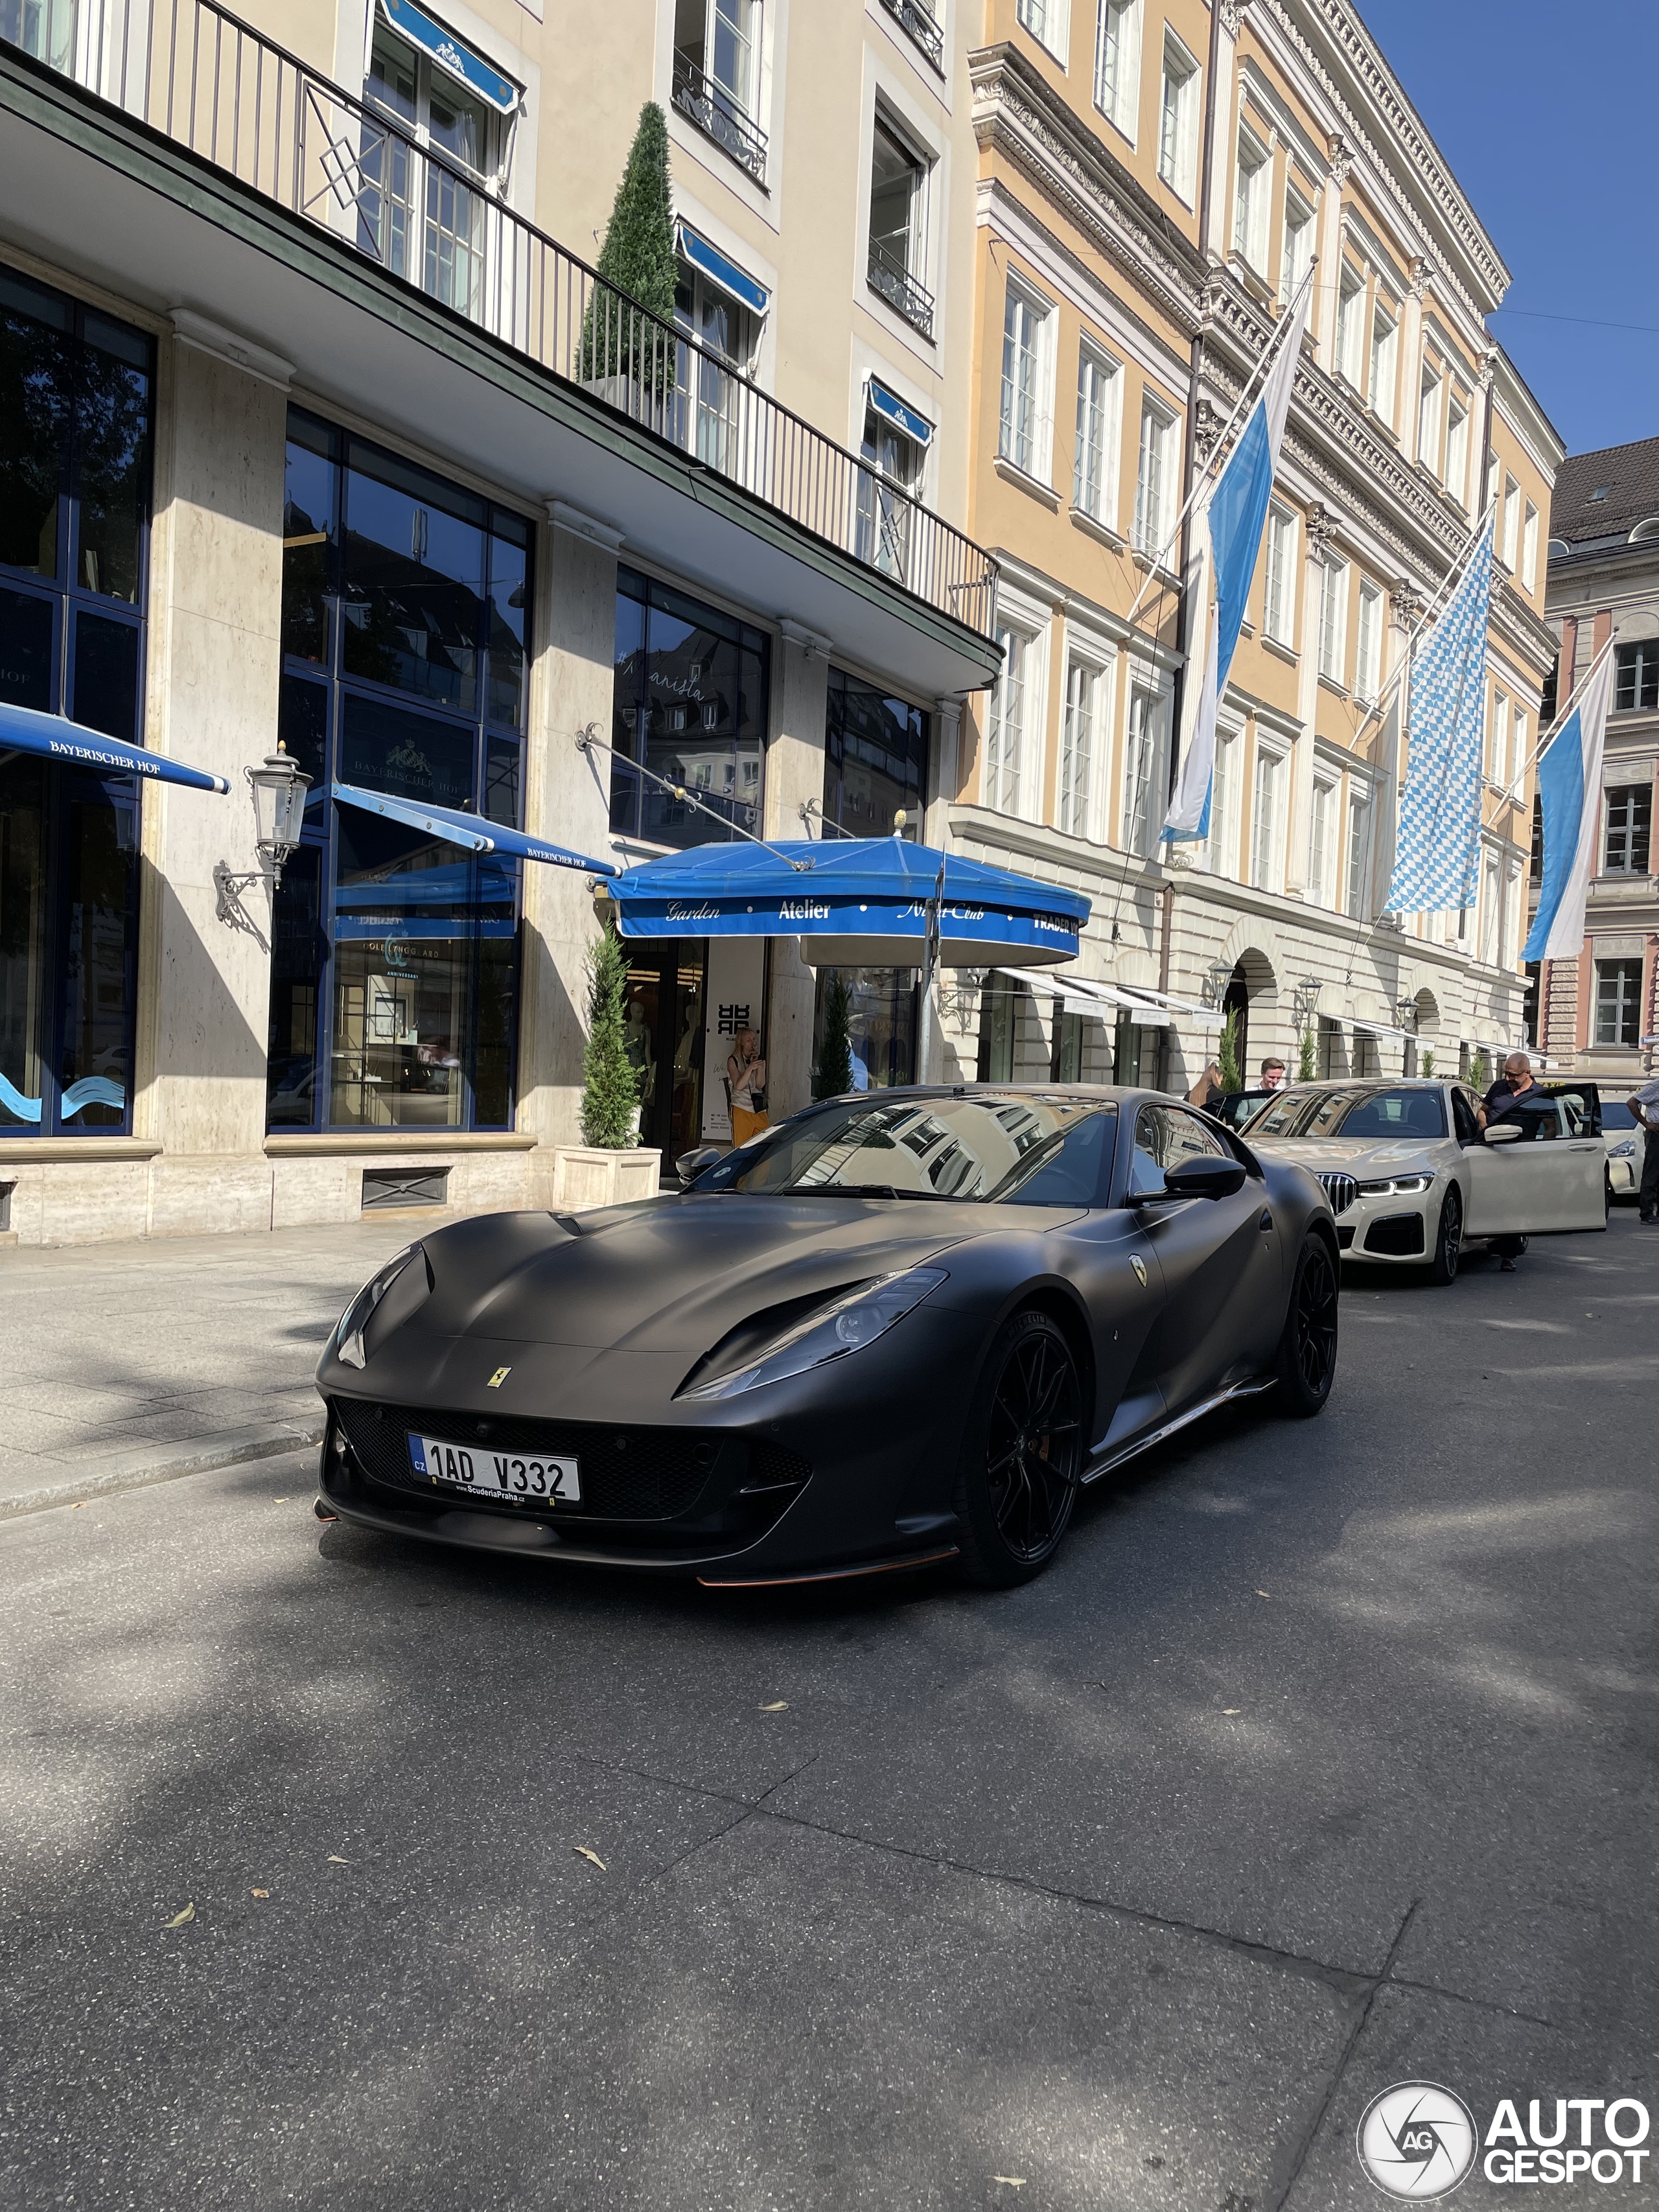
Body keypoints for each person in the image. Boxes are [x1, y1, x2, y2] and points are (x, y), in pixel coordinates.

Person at [1477, 1053, 1542, 1271]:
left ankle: (1508, 1254)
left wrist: (1544, 1149)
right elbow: (1482, 1112)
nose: (1509, 1079)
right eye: (1506, 1074)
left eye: (1513, 1075)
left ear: (1527, 1073)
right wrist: (1484, 1131)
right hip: (1491, 1153)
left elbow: (1551, 1126)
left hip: (1521, 1156)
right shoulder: (1498, 1088)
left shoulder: (1539, 1094)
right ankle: (1483, 1240)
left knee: (1513, 1204)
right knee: (1490, 1201)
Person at [727, 1027, 769, 1146]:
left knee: (764, 1147)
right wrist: (750, 1068)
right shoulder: (733, 1061)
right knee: (741, 1147)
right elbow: (739, 1086)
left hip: (758, 1108)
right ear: (741, 1043)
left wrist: (760, 1066)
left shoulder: (760, 1060)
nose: (753, 1043)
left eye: (754, 1039)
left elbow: (760, 1084)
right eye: (749, 1040)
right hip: (741, 1107)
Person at [1628, 1073, 1659, 1226]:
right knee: (1652, 1174)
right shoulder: (1656, 1085)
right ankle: (1646, 1214)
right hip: (1657, 1134)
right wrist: (1647, 1124)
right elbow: (1632, 1103)